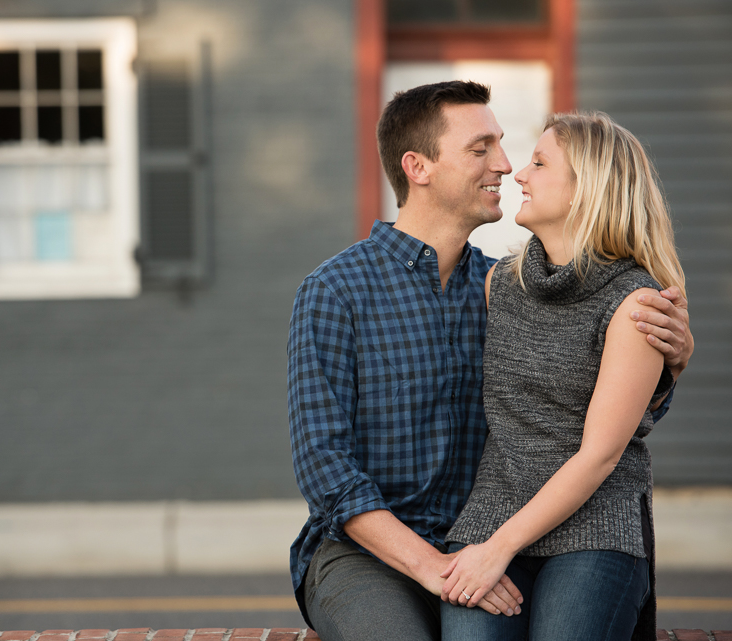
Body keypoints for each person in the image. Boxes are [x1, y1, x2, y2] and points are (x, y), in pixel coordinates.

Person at [287, 82, 693, 641]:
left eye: (504, 146)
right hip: (370, 553)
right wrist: (435, 567)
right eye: (481, 149)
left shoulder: (506, 285)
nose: (505, 165)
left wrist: (665, 370)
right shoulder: (336, 291)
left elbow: (580, 419)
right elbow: (325, 469)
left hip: (492, 537)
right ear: (418, 167)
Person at [438, 111, 685, 641]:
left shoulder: (635, 304)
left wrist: (498, 549)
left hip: (597, 527)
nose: (519, 175)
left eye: (540, 163)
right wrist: (488, 545)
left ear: (587, 190)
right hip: (493, 514)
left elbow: (599, 454)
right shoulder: (498, 285)